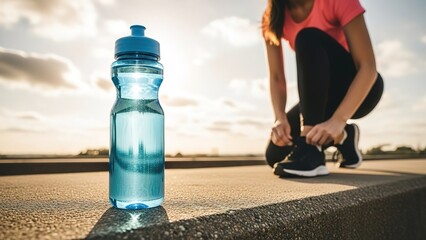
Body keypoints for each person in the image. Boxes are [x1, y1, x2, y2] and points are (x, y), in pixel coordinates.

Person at [262, 0, 384, 177]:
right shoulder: (273, 16)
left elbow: (368, 67)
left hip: (361, 90)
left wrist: (339, 119)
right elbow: (276, 77)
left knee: (307, 37)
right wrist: (279, 118)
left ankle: (311, 150)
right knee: (274, 155)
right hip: (320, 99)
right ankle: (345, 138)